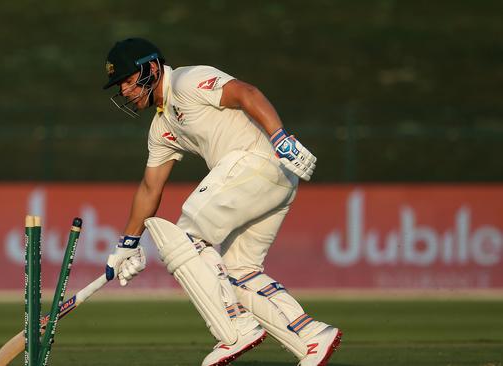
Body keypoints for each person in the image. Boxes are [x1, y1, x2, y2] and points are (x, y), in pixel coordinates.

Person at [102, 37, 342, 366]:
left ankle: (235, 328)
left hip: (258, 161)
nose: (126, 91)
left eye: (128, 81)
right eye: (121, 86)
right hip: (273, 180)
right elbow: (149, 188)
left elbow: (247, 93)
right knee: (238, 271)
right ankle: (311, 337)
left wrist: (280, 136)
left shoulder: (187, 81)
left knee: (184, 237)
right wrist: (127, 244)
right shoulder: (162, 126)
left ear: (152, 68)